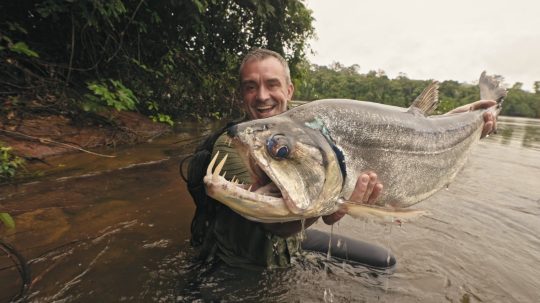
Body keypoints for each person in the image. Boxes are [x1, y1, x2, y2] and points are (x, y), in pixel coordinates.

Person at [186, 48, 498, 270]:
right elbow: (277, 225)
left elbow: (412, 129)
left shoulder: (306, 135)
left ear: (289, 89)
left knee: (384, 262)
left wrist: (461, 122)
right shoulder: (236, 142)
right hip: (235, 264)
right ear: (243, 94)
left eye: (271, 84)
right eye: (251, 87)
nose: (262, 96)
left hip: (289, 249)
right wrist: (332, 205)